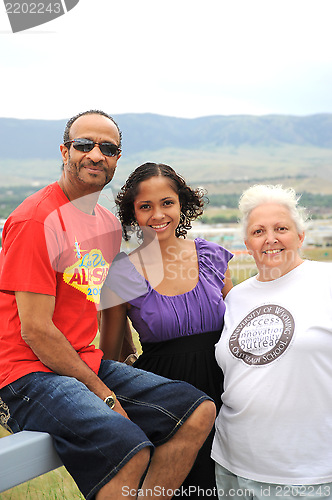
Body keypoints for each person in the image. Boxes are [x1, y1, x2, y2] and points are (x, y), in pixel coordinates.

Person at [0, 110, 217, 500]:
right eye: (84, 145)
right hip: (27, 370)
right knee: (125, 446)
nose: (96, 155)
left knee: (197, 412)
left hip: (82, 360)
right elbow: (35, 330)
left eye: (108, 148)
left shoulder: (106, 224)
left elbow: (89, 299)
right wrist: (105, 395)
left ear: (117, 159)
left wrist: (119, 358)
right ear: (64, 151)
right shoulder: (36, 220)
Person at [100, 162, 233, 498]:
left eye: (167, 203)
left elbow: (241, 328)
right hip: (166, 402)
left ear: (182, 204)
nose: (157, 214)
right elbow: (109, 355)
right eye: (146, 206)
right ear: (133, 212)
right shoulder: (122, 273)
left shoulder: (213, 258)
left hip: (228, 392)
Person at [211, 184, 332, 499]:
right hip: (233, 465)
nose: (271, 238)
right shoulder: (236, 297)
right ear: (248, 243)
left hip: (308, 472)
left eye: (281, 228)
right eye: (259, 231)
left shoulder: (326, 282)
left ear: (300, 235)